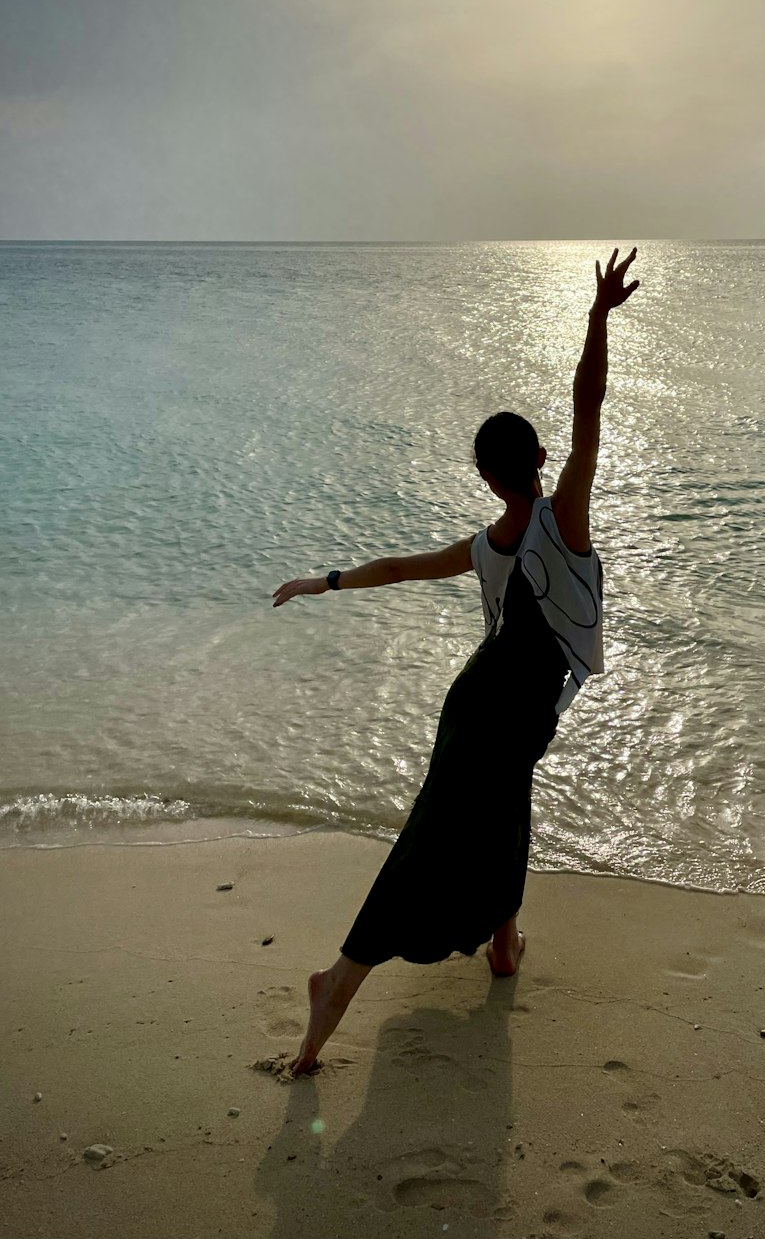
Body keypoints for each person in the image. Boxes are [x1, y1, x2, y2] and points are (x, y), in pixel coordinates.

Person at [271, 246, 639, 1075]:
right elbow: (592, 410)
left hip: (482, 705)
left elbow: (397, 567)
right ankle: (336, 981)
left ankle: (503, 948)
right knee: (433, 847)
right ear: (540, 463)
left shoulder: (485, 545)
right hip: (504, 712)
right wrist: (595, 319)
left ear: (483, 474)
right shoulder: (562, 519)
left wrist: (321, 580)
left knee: (502, 820)